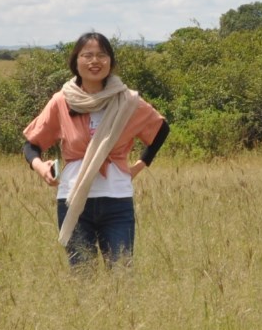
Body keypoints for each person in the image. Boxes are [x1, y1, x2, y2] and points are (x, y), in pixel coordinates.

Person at [22, 32, 169, 266]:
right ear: (76, 61)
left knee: (121, 275)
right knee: (83, 279)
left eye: (102, 55)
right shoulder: (63, 101)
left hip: (117, 199)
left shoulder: (127, 101)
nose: (95, 61)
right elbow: (31, 145)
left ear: (110, 61)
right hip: (73, 200)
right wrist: (42, 168)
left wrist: (138, 166)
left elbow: (160, 129)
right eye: (87, 55)